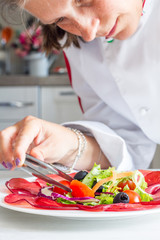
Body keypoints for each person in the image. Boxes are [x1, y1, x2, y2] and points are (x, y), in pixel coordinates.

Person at [0, 0, 159, 172]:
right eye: (60, 19)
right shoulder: (77, 42)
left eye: (84, 0)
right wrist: (69, 144)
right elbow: (129, 147)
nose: (88, 32)